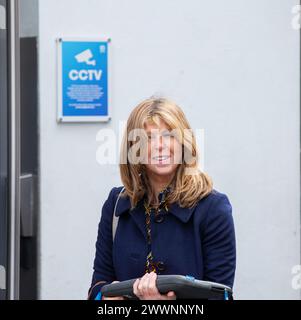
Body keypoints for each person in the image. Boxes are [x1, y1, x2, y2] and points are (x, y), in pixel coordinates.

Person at [88, 97, 236, 300]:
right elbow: (97, 286)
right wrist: (105, 298)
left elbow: (221, 296)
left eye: (168, 135)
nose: (160, 146)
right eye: (148, 138)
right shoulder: (116, 204)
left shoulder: (212, 208)